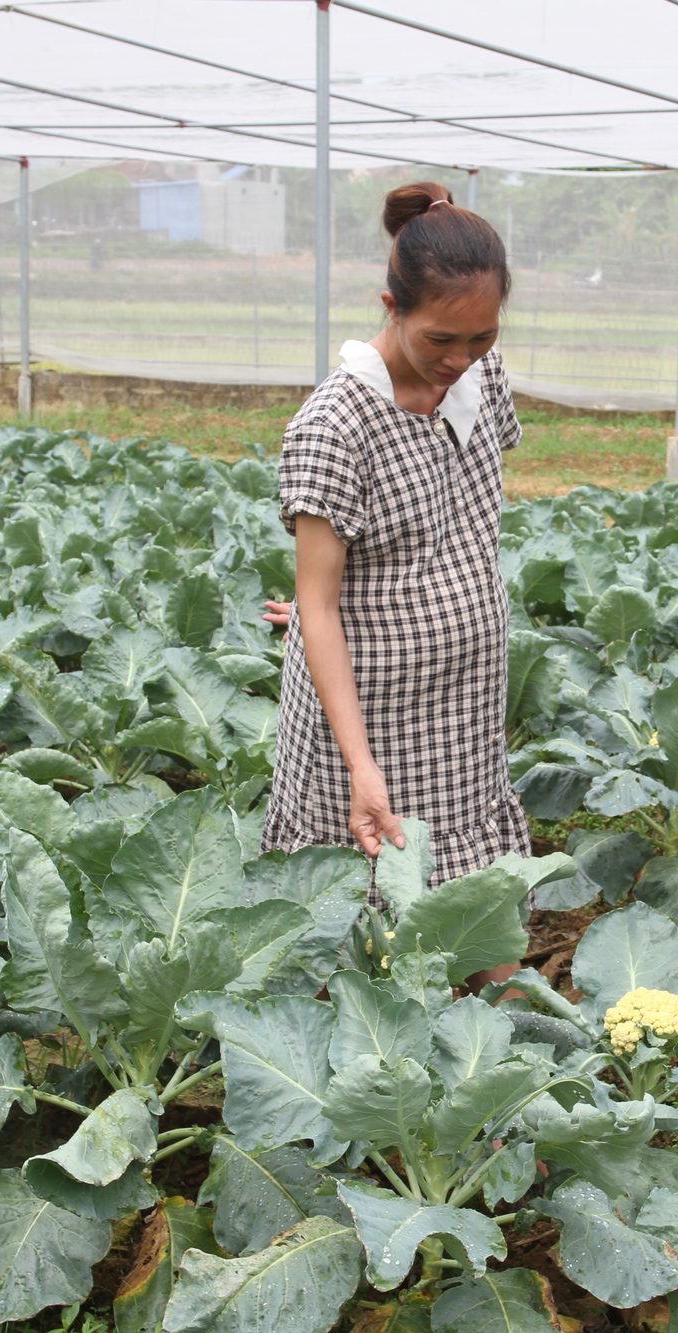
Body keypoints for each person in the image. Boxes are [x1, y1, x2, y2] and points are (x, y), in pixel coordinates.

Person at [260, 181, 530, 908]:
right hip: (371, 715)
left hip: (467, 702)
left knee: (477, 905)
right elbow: (318, 607)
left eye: (483, 337)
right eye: (441, 339)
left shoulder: (481, 375)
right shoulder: (336, 424)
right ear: (391, 307)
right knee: (357, 916)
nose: (462, 358)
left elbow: (463, 515)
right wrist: (360, 765)